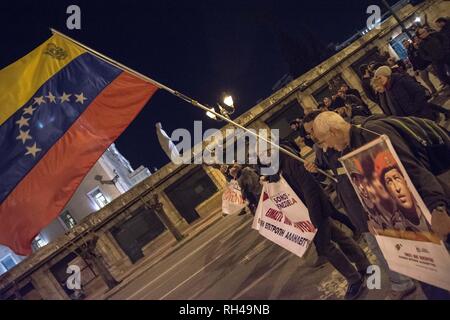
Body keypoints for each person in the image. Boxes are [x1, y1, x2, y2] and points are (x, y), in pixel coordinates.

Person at [313, 111, 450, 299]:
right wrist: (373, 217)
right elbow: (371, 190)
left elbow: (414, 170)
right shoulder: (347, 151)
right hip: (408, 226)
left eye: (322, 141)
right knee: (430, 280)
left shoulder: (372, 135)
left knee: (440, 279)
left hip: (429, 216)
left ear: (334, 131)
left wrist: (438, 208)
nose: (325, 148)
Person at [267, 140, 371, 300]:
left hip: (313, 210)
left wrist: (313, 218)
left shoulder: (290, 160)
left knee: (325, 247)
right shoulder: (278, 163)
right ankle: (363, 264)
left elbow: (310, 188)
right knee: (338, 235)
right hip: (306, 211)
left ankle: (354, 279)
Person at [373, 66, 449, 120]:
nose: (380, 80)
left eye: (380, 77)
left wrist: (415, 108)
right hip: (412, 118)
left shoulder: (400, 80)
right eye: (378, 78)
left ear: (387, 75)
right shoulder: (387, 88)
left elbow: (418, 92)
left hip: (419, 113)